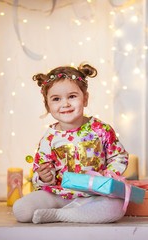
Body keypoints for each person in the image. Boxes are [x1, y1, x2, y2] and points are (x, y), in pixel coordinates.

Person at [12, 63, 129, 224]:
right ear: (48, 105)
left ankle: (60, 215)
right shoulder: (49, 138)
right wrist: (44, 177)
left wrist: (107, 176)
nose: (65, 104)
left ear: (85, 99)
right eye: (56, 99)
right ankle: (70, 211)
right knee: (21, 210)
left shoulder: (100, 129)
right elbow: (40, 169)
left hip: (94, 195)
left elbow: (119, 156)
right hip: (58, 195)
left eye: (72, 96)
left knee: (116, 208)